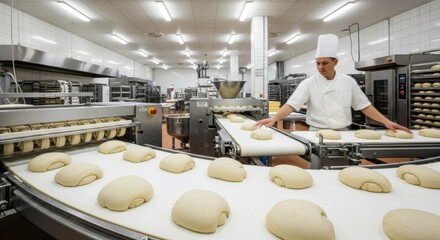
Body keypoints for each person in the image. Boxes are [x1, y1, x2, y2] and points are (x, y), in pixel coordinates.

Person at [257, 34, 410, 133]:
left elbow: (364, 105)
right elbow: (291, 105)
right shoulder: (308, 83)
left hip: (343, 131)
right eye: (317, 63)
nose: (320, 67)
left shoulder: (348, 82)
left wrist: (386, 122)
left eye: (325, 63)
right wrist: (274, 118)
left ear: (335, 61)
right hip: (317, 132)